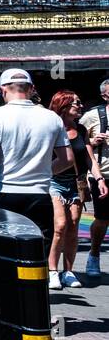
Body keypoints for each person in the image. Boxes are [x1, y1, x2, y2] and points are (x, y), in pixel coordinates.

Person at [0, 69, 73, 290]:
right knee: (35, 255)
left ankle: (6, 304)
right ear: (31, 89)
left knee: (2, 253)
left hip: (5, 192)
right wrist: (45, 171)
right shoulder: (51, 117)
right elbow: (67, 159)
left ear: (3, 90)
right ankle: (34, 305)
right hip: (39, 194)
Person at [49, 90, 105, 288]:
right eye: (77, 103)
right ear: (63, 106)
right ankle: (52, 271)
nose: (81, 106)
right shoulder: (52, 127)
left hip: (77, 183)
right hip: (54, 182)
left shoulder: (81, 129)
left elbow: (89, 157)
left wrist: (99, 179)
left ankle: (69, 271)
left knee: (73, 226)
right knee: (60, 226)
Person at [79, 77, 109, 279]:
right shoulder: (92, 116)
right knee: (103, 219)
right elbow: (76, 139)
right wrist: (92, 140)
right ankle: (94, 254)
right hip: (103, 174)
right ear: (105, 95)